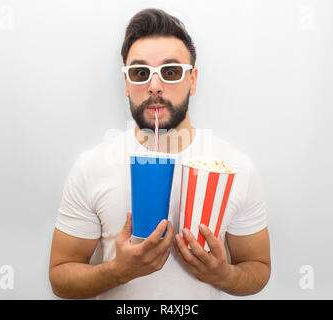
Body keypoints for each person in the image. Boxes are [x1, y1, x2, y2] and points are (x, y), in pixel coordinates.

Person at [49, 8, 271, 300]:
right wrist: (118, 270)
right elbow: (60, 277)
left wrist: (223, 275)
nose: (154, 86)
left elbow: (259, 268)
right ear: (127, 84)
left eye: (171, 71)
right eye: (141, 73)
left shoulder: (236, 168)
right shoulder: (91, 167)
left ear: (192, 80)